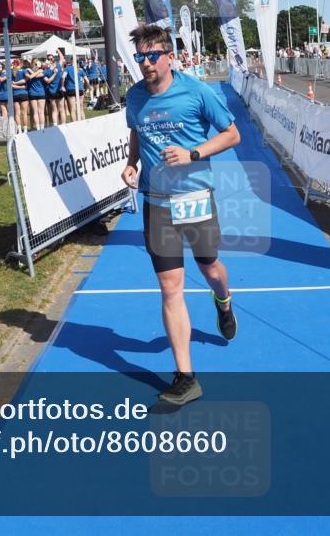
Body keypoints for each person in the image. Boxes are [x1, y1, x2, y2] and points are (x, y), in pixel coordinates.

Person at [121, 25, 241, 406]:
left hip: (194, 197)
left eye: (152, 55)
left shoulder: (195, 91)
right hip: (156, 202)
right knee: (171, 287)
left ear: (169, 56)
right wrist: (131, 163)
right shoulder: (135, 96)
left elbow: (232, 134)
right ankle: (186, 378)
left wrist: (193, 154)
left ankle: (223, 299)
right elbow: (137, 132)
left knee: (209, 270)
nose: (146, 63)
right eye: (140, 56)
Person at [25, 58, 47, 130]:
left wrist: (31, 71)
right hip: (37, 93)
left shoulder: (29, 71)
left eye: (35, 64)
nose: (34, 65)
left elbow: (33, 76)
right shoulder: (41, 71)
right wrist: (37, 71)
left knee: (38, 112)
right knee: (37, 112)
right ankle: (39, 128)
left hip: (36, 93)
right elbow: (33, 76)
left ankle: (40, 127)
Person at [11, 59, 29, 133]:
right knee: (24, 113)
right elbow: (28, 78)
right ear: (20, 64)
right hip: (23, 93)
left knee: (17, 113)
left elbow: (11, 85)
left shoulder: (11, 72)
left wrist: (16, 84)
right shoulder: (23, 70)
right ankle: (25, 129)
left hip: (15, 94)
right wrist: (21, 87)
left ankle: (19, 130)